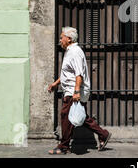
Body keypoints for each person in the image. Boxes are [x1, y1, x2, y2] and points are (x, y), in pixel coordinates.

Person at [47, 26, 111, 155]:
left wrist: (76, 92)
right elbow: (68, 73)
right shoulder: (70, 51)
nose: (60, 40)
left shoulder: (75, 52)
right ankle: (103, 134)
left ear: (69, 39)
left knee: (66, 117)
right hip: (72, 90)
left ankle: (64, 146)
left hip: (73, 91)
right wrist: (56, 83)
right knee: (80, 117)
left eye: (61, 37)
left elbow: (78, 74)